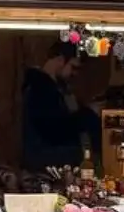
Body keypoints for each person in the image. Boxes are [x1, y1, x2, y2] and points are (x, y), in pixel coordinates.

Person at [22, 41, 95, 169]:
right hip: (47, 167)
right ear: (60, 60)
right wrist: (86, 116)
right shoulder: (40, 90)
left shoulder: (56, 90)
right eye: (73, 67)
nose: (75, 74)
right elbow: (55, 130)